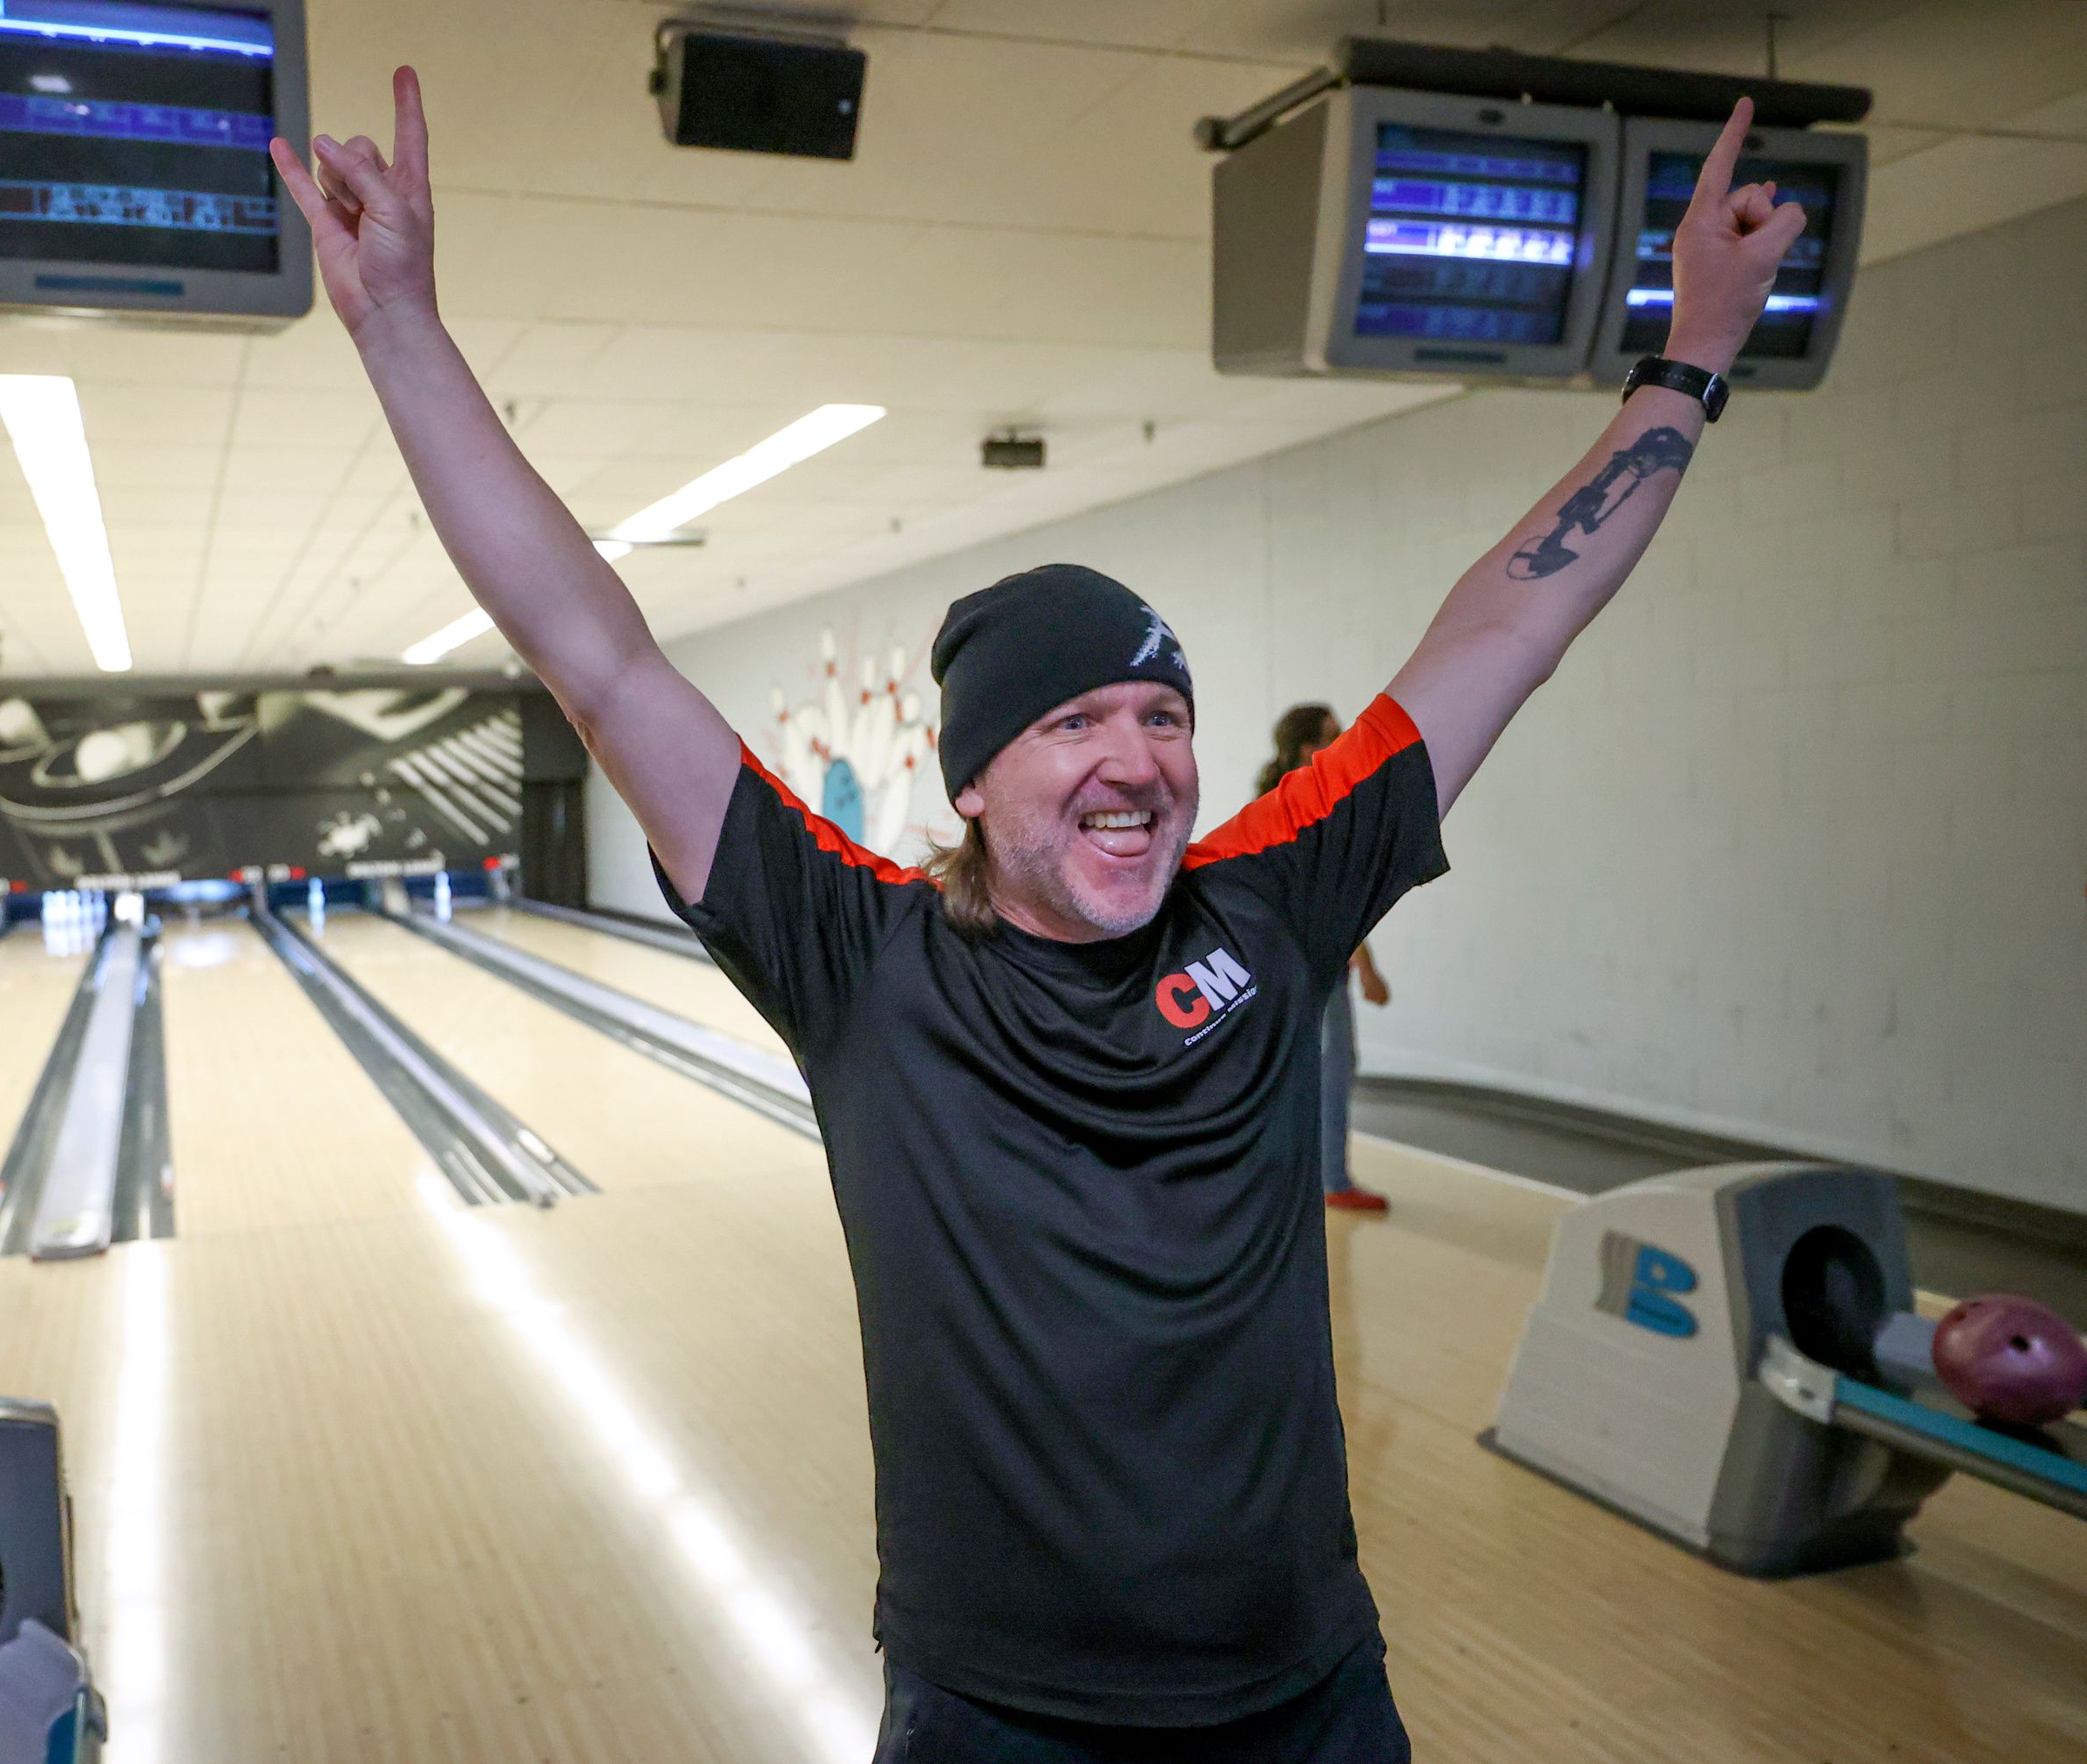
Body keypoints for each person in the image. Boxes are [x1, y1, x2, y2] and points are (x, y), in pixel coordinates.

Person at [273, 72, 1804, 1762]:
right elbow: (597, 650)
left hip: (1308, 1690)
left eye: (1162, 716)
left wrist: (1693, 355)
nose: (1136, 756)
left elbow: (1512, 626)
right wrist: (401, 325)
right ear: (978, 783)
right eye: (1076, 722)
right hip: (1001, 1714)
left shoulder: (1275, 900)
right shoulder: (858, 957)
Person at [1256, 706, 1395, 1215]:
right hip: (1311, 967)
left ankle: (1296, 1178)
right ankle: (1332, 1180)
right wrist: (1366, 965)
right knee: (1332, 1072)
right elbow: (1332, 897)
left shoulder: (1282, 802)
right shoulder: (1310, 808)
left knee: (1302, 1073)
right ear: (1306, 747)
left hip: (1286, 964)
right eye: (1333, 737)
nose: (1342, 746)